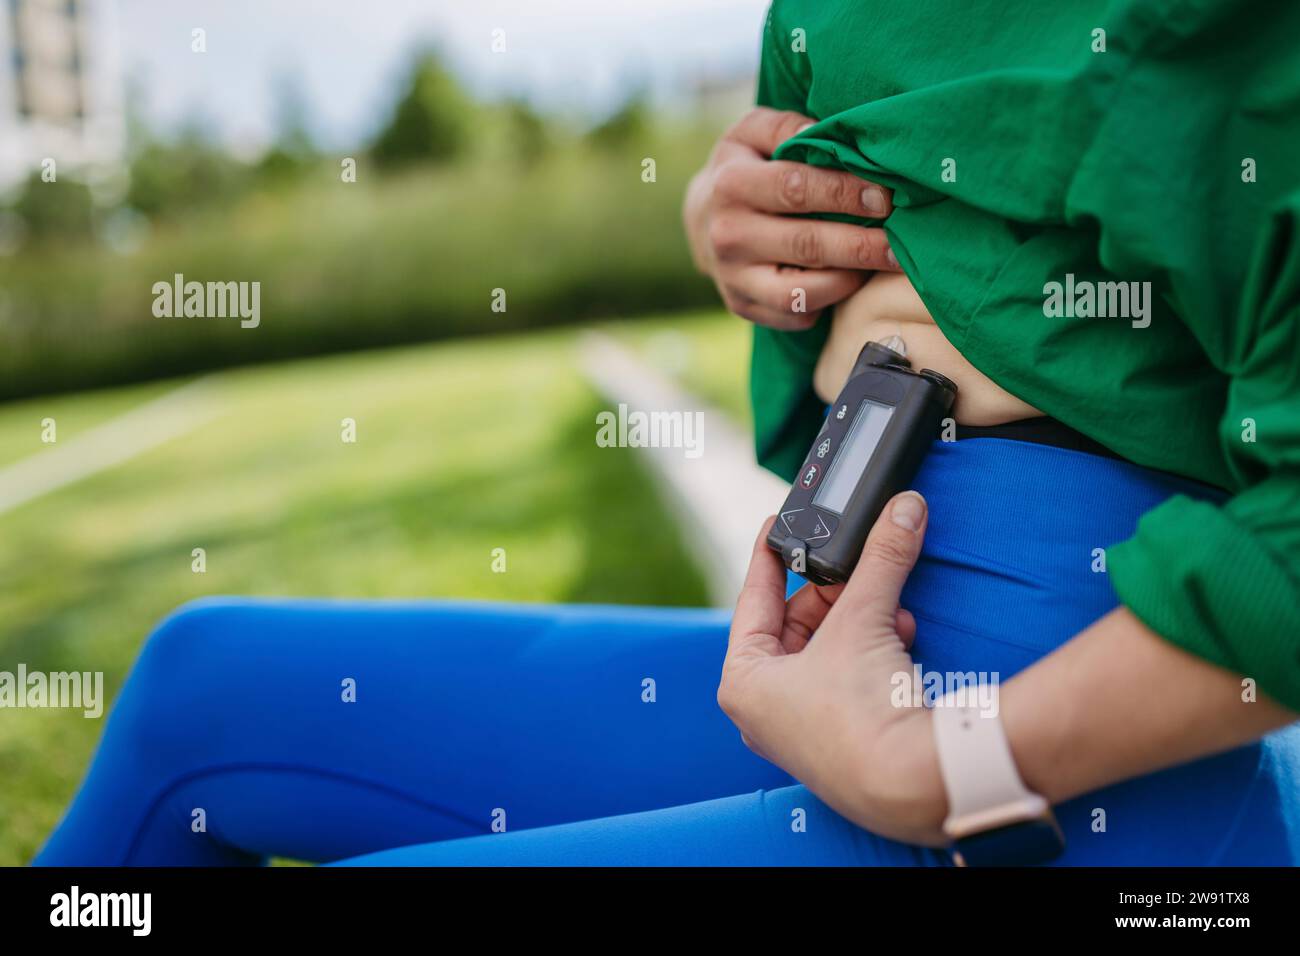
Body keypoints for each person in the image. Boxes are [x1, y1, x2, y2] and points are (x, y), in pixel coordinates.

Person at [36, 0, 1300, 865]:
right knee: (199, 685)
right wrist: (735, 222)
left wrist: (939, 767)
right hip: (844, 649)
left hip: (1071, 758)